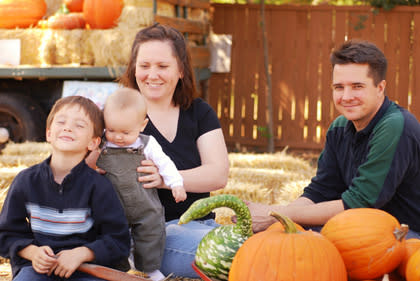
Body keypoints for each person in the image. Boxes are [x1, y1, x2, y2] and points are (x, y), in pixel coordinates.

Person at [246, 39, 420, 239]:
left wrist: (276, 214)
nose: (346, 97)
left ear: (380, 88)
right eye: (339, 87)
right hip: (360, 230)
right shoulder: (339, 128)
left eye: (357, 86)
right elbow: (320, 191)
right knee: (282, 240)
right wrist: (279, 222)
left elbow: (360, 202)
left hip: (406, 238)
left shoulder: (395, 125)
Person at [116, 23, 229, 277]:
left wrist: (165, 178)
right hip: (152, 235)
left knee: (258, 243)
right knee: (238, 254)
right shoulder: (120, 115)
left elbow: (218, 174)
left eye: (162, 66)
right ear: (134, 69)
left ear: (180, 70)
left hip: (202, 225)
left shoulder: (199, 112)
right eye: (144, 66)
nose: (152, 74)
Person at [0, 96, 131, 280]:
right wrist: (32, 253)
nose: (68, 127)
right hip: (37, 270)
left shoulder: (99, 187)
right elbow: (6, 234)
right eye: (61, 121)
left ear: (93, 143)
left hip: (86, 271)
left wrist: (81, 254)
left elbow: (118, 241)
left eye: (79, 125)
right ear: (48, 133)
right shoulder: (26, 181)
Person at [96, 87, 186, 281]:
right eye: (111, 130)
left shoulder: (147, 144)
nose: (118, 137)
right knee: (111, 234)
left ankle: (150, 268)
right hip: (112, 206)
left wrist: (176, 183)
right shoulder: (101, 144)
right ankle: (118, 268)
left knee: (151, 233)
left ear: (142, 125)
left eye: (126, 132)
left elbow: (165, 164)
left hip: (144, 204)